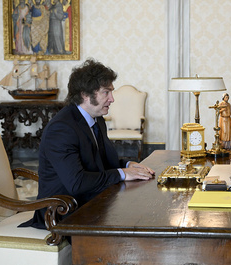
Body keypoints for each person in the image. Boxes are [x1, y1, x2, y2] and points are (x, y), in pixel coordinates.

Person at [21, 59, 154, 229]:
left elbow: (100, 163)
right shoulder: (61, 128)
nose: (112, 99)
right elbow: (77, 183)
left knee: (139, 212)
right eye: (106, 92)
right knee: (134, 222)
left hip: (88, 201)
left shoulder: (97, 119)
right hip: (62, 212)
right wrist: (122, 173)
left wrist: (129, 165)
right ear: (85, 94)